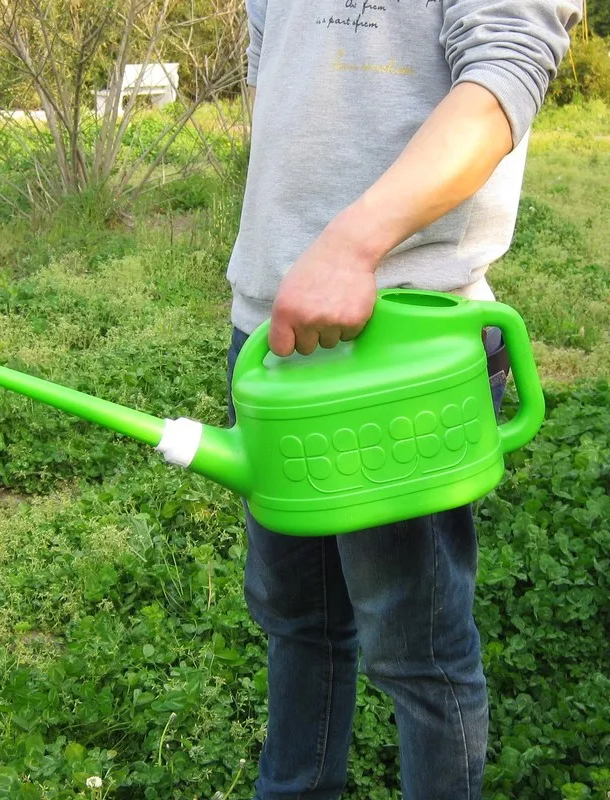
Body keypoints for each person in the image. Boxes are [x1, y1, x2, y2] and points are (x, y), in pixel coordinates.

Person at [225, 2, 582, 798]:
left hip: (397, 353)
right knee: (297, 621)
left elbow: (505, 72)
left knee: (417, 655)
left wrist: (349, 246)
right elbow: (276, 82)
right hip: (267, 334)